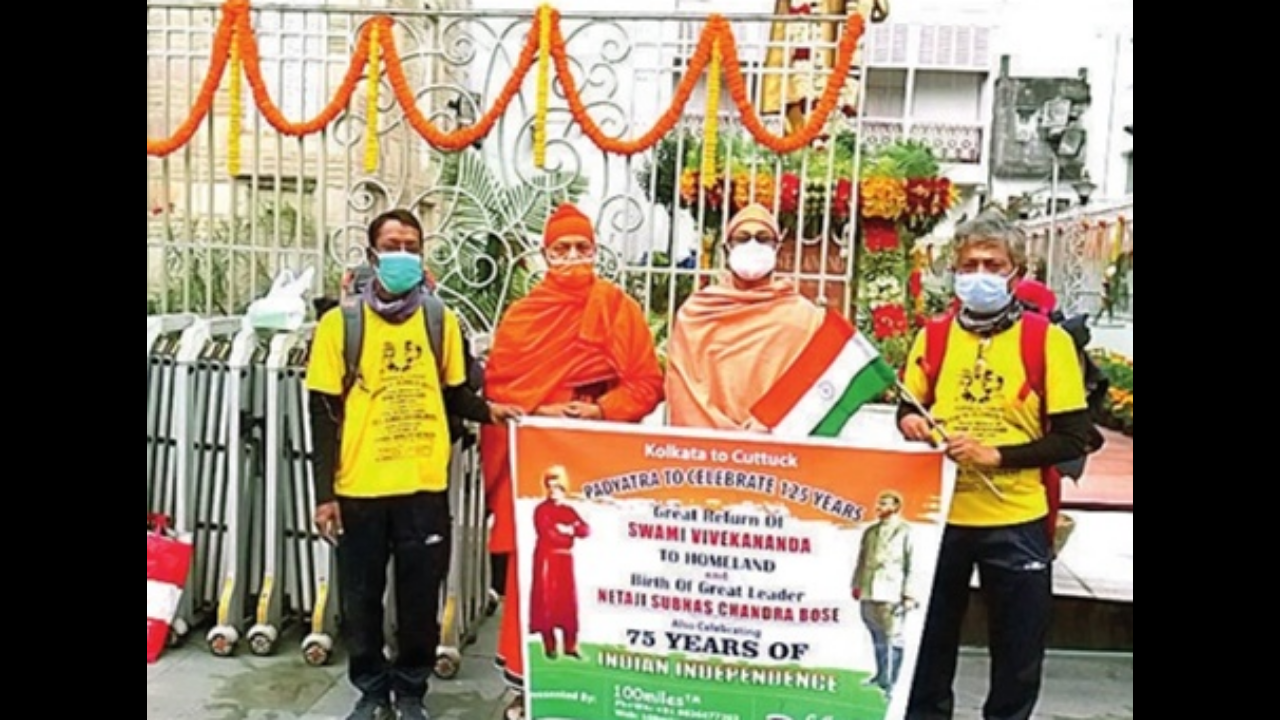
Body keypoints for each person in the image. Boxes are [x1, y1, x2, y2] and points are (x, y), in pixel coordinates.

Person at [306, 209, 522, 720]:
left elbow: (455, 393)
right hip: (359, 487)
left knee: (421, 601)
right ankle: (371, 691)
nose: (402, 254)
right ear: (372, 254)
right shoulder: (339, 325)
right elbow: (323, 413)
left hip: (423, 485)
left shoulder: (439, 319)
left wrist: (490, 411)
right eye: (392, 245)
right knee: (361, 600)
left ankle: (409, 692)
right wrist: (324, 495)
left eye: (411, 245)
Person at [897, 211, 1096, 720]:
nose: (979, 275)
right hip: (940, 517)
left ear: (1016, 273)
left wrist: (998, 456)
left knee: (1017, 656)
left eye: (993, 264)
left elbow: (1074, 438)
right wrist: (910, 423)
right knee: (928, 648)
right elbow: (908, 406)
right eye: (969, 265)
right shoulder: (933, 337)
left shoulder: (1047, 340)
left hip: (1016, 520)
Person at [480, 202, 664, 718]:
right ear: (545, 256)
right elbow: (499, 393)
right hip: (539, 458)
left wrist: (601, 409)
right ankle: (527, 685)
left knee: (603, 568)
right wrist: (542, 411)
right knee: (530, 571)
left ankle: (596, 687)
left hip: (600, 460)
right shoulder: (522, 317)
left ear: (596, 251)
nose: (572, 257)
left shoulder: (617, 307)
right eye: (561, 249)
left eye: (582, 247)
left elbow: (647, 383)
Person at [665, 203, 826, 431]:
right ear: (726, 249)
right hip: (708, 446)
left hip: (778, 445)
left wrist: (767, 428)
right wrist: (732, 440)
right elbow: (685, 392)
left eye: (763, 239)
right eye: (742, 239)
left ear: (777, 249)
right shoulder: (696, 314)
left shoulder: (806, 318)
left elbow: (814, 389)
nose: (753, 245)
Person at [852, 491, 918, 699]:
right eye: (878, 503)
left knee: (894, 638)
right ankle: (881, 676)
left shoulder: (905, 531)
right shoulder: (870, 532)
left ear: (896, 507)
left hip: (892, 591)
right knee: (876, 635)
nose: (879, 507)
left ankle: (893, 684)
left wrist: (909, 594)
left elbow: (913, 564)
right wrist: (856, 585)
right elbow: (861, 559)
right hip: (869, 590)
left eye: (884, 504)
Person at [529, 466, 591, 661]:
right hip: (547, 560)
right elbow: (548, 534)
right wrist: (566, 533)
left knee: (566, 603)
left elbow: (585, 529)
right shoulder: (541, 510)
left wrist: (570, 530)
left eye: (557, 487)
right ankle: (549, 646)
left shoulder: (568, 510)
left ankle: (570, 646)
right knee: (546, 602)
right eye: (550, 486)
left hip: (564, 562)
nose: (553, 491)